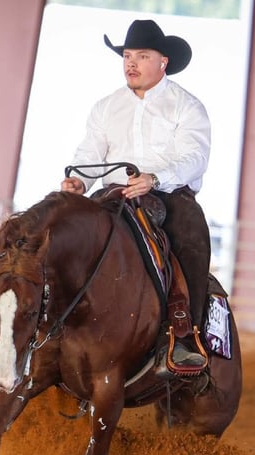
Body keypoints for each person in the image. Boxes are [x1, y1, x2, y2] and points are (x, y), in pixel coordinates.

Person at [60, 19, 212, 371]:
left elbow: (194, 157)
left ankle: (186, 332)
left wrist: (155, 178)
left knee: (191, 236)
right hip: (112, 194)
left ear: (163, 62)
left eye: (142, 56)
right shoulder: (106, 107)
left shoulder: (186, 107)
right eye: (127, 56)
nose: (131, 63)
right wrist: (79, 181)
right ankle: (39, 319)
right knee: (61, 227)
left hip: (169, 194)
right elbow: (89, 153)